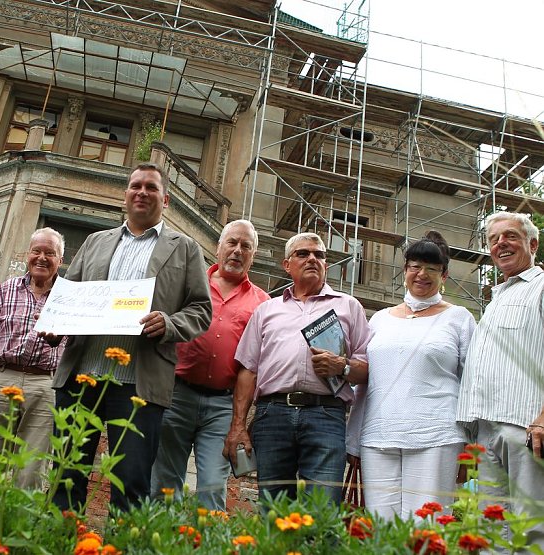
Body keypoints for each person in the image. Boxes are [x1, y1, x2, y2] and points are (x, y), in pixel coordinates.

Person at [47, 162, 212, 513]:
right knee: (66, 475)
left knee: (131, 482)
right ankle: (61, 543)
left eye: (151, 187)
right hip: (81, 375)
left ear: (165, 199)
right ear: (125, 195)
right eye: (135, 186)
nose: (142, 192)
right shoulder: (95, 242)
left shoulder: (185, 248)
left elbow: (201, 310)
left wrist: (169, 323)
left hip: (140, 384)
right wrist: (54, 323)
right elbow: (67, 297)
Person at [224, 232, 371, 504]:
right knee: (274, 508)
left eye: (319, 255)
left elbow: (366, 369)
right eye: (303, 254)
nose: (312, 259)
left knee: (323, 509)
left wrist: (343, 366)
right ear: (287, 265)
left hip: (326, 414)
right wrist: (238, 426)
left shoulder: (349, 306)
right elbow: (248, 371)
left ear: (326, 265)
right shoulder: (267, 310)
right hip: (272, 415)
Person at [346, 231, 475, 519]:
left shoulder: (459, 318)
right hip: (378, 437)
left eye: (432, 268)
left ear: (444, 275)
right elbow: (366, 385)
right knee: (383, 527)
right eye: (415, 266)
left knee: (426, 527)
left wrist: (471, 446)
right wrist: (353, 439)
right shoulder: (380, 319)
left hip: (436, 436)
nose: (422, 274)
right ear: (405, 270)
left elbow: (472, 383)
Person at [150, 219, 269, 510]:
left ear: (252, 255)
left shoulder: (263, 303)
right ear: (218, 247)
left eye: (246, 246)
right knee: (163, 485)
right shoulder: (189, 284)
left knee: (213, 488)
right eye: (232, 243)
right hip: (176, 395)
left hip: (223, 407)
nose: (238, 251)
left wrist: (242, 423)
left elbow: (256, 364)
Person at [457, 211, 544, 548]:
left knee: (532, 525)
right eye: (493, 239)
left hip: (525, 426)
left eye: (510, 236)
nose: (500, 244)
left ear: (533, 244)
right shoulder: (498, 296)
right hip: (487, 428)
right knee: (490, 527)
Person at [0, 227, 67, 488]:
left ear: (60, 261)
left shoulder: (68, 296)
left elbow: (77, 345)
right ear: (28, 254)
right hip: (2, 378)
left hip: (45, 384)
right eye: (37, 251)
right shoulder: (7, 289)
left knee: (32, 468)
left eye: (50, 253)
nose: (42, 258)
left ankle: (20, 526)